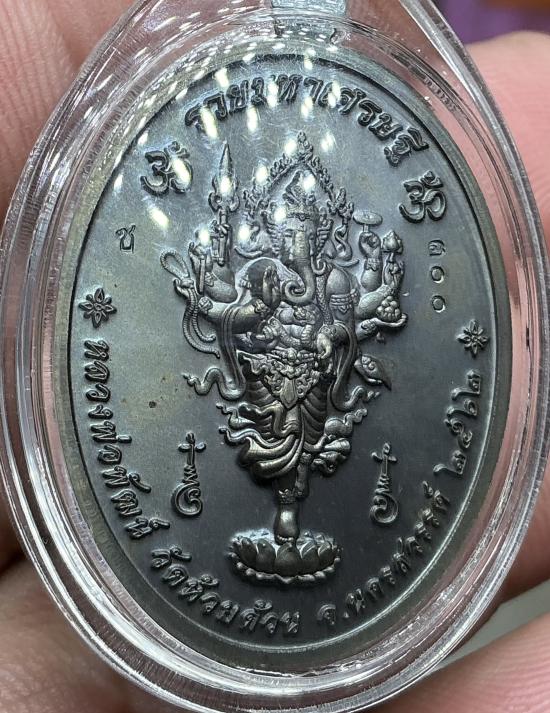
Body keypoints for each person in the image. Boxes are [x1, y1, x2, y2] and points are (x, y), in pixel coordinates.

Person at [0, 3, 548, 711]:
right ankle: (281, 526)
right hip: (266, 376)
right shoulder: (261, 271)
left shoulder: (335, 279)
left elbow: (359, 318)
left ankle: (290, 527)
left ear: (320, 233)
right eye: (287, 232)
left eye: (306, 233)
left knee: (305, 451)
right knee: (273, 444)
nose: (295, 242)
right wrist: (219, 297)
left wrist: (354, 312)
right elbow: (233, 315)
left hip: (315, 382)